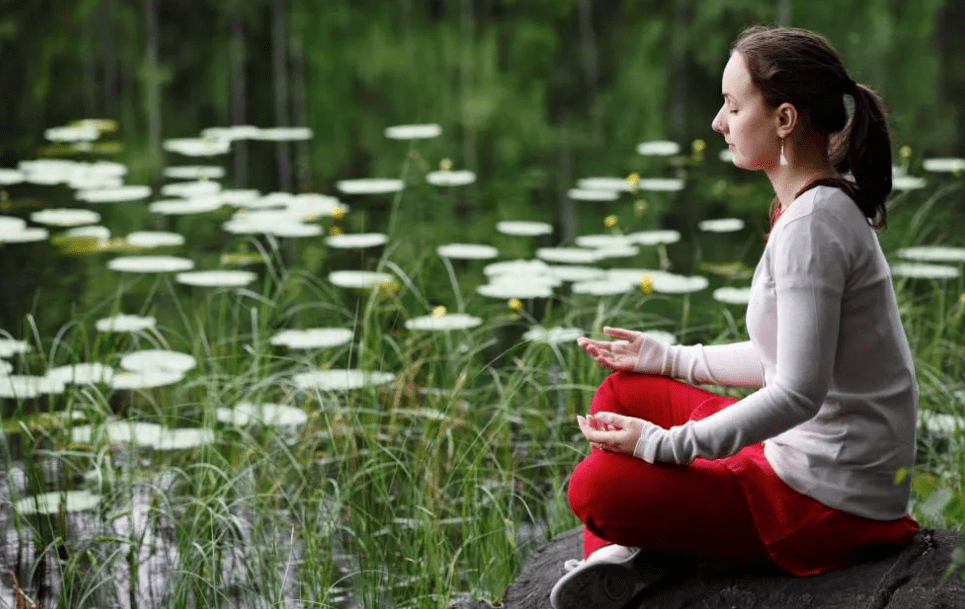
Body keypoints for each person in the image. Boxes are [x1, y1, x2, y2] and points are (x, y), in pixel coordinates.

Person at [550, 25, 921, 609]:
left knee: (594, 486)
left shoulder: (813, 227)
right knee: (624, 390)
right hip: (805, 460)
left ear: (784, 119)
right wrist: (667, 358)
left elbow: (797, 391)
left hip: (827, 501)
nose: (718, 123)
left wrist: (667, 446)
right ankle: (624, 556)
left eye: (732, 105)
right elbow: (786, 357)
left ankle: (622, 550)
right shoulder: (816, 205)